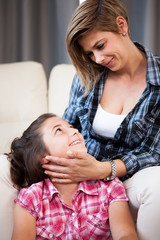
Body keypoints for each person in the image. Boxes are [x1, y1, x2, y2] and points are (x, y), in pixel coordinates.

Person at [41, 0, 160, 240]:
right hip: (79, 172)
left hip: (128, 178)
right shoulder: (87, 76)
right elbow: (69, 126)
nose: (97, 58)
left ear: (121, 25)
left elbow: (154, 151)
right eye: (89, 53)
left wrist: (102, 170)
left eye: (100, 45)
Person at [8, 113, 138, 240]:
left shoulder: (110, 187)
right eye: (58, 130)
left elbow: (125, 235)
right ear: (40, 156)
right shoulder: (31, 199)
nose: (75, 131)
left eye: (71, 127)